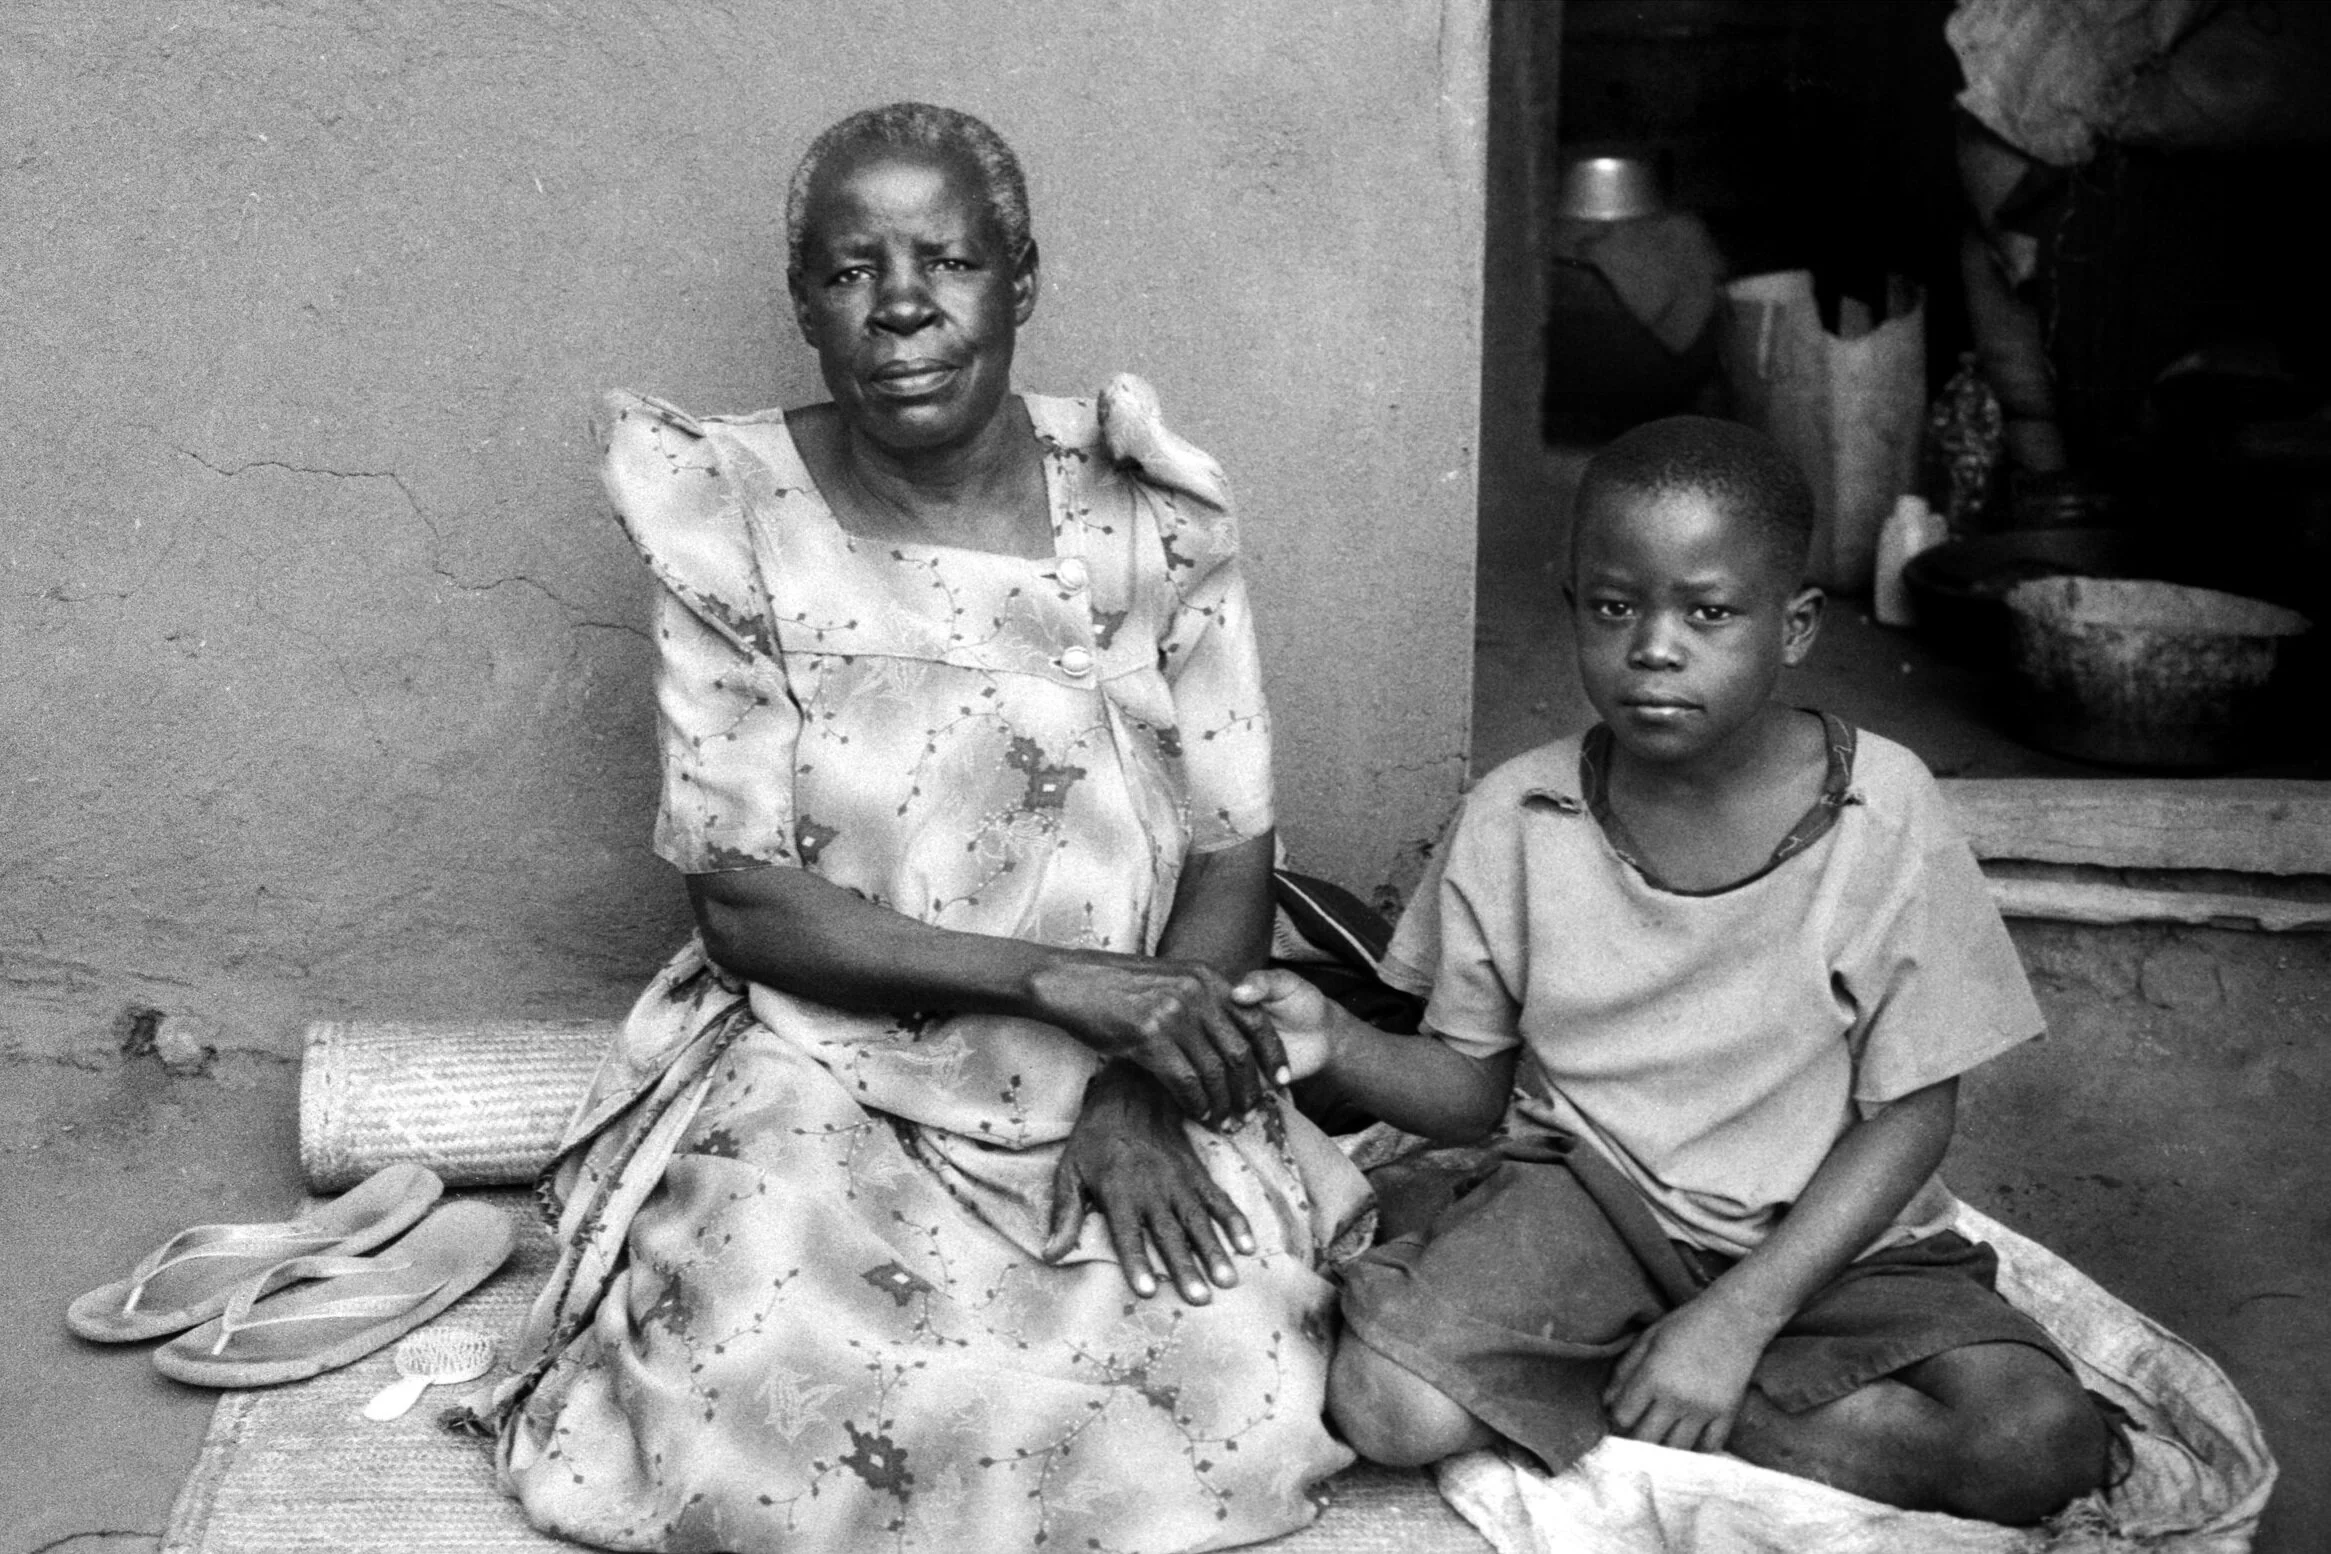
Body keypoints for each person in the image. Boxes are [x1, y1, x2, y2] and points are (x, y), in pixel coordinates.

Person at [487, 102, 1371, 1554]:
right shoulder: (730, 514)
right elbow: (744, 905)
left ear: (1020, 280)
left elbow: (1230, 851)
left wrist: (1144, 1089)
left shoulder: (1150, 513)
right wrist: (1053, 977)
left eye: (948, 263)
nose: (900, 308)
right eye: (851, 272)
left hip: (1122, 1061)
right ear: (803, 304)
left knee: (1240, 1390)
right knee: (745, 1405)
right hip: (828, 1061)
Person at [1239, 416, 2117, 1524]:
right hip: (1587, 1205)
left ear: (1794, 627)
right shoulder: (1519, 812)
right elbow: (1467, 1092)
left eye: (1708, 613)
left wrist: (1736, 1318)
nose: (1654, 648)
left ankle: (1635, 1385)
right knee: (1386, 1405)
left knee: (2040, 1447)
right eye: (1615, 608)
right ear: (1574, 609)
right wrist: (1337, 1044)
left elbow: (1910, 1118)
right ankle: (1666, 1382)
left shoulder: (1882, 807)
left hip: (1825, 1243)